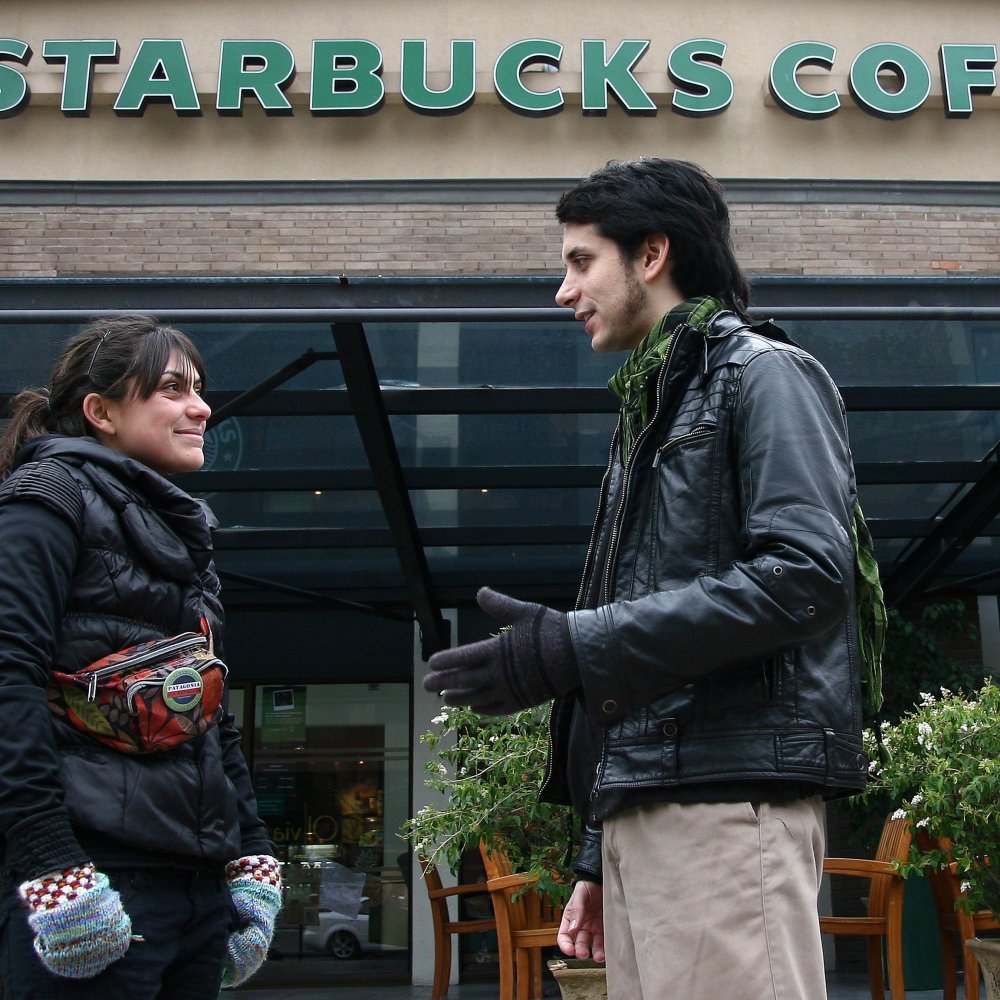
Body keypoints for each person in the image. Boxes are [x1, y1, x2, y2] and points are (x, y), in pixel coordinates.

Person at [423, 158, 884, 999]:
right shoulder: (654, 406)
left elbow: (807, 578)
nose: (564, 291)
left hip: (724, 804)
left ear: (651, 255)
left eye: (578, 260)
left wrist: (573, 644)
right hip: (655, 812)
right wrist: (599, 853)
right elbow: (645, 649)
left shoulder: (762, 373)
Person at [0, 315, 281, 998]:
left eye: (200, 388)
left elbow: (207, 714)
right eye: (171, 388)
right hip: (91, 882)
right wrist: (54, 868)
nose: (202, 407)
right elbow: (8, 678)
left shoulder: (181, 530)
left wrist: (252, 858)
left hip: (192, 890)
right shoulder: (46, 504)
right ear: (100, 411)